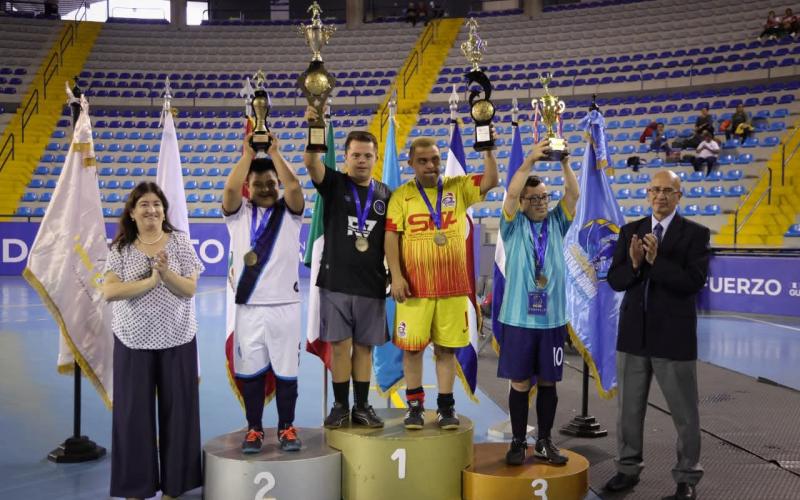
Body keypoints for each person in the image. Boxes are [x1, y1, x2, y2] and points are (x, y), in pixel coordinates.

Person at [604, 170, 710, 500]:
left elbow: (692, 282)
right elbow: (616, 280)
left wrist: (656, 261)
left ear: (679, 195)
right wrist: (635, 265)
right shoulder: (630, 231)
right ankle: (627, 469)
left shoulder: (695, 234)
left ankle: (686, 477)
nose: (660, 196)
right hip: (633, 337)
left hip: (673, 339)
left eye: (668, 190)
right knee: (628, 411)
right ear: (647, 194)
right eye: (655, 190)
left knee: (684, 414)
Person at [385, 136, 498, 430]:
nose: (430, 165)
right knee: (412, 350)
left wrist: (488, 150)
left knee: (446, 351)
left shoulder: (457, 188)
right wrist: (396, 276)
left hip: (452, 288)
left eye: (435, 159)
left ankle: (446, 407)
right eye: (422, 161)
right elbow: (391, 237)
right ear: (411, 164)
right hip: (414, 290)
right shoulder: (401, 197)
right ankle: (415, 407)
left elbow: (491, 180)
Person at [103, 182, 204, 500]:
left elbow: (189, 289)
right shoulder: (120, 248)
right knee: (132, 415)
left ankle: (176, 485)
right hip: (132, 341)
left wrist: (166, 273)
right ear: (132, 213)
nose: (151, 209)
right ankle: (136, 486)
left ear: (164, 210)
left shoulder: (181, 243)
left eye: (157, 204)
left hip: (178, 338)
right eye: (144, 204)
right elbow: (110, 292)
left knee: (180, 413)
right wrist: (150, 281)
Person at [303, 106, 391, 430]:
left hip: (371, 284)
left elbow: (392, 240)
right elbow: (312, 163)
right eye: (356, 154)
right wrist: (315, 127)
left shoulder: (385, 194)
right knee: (340, 347)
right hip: (335, 283)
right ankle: (340, 406)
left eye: (367, 155)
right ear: (345, 156)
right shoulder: (334, 183)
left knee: (364, 349)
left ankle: (362, 406)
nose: (362, 160)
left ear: (376, 157)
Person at [497, 139, 579, 466]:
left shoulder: (557, 222)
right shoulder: (513, 225)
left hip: (552, 320)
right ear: (523, 202)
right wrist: (529, 160)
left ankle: (544, 441)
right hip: (519, 321)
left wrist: (566, 163)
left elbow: (572, 195)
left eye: (545, 196)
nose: (543, 202)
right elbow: (511, 192)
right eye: (536, 198)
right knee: (519, 382)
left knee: (548, 381)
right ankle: (518, 441)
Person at [222, 132, 305, 453]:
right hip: (249, 310)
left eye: (271, 183)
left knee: (287, 373)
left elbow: (295, 187)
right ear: (249, 188)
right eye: (259, 185)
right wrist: (247, 155)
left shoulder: (291, 213)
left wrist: (275, 154)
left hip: (286, 306)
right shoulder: (239, 215)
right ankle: (254, 428)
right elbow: (230, 189)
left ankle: (286, 427)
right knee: (251, 373)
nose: (267, 188)